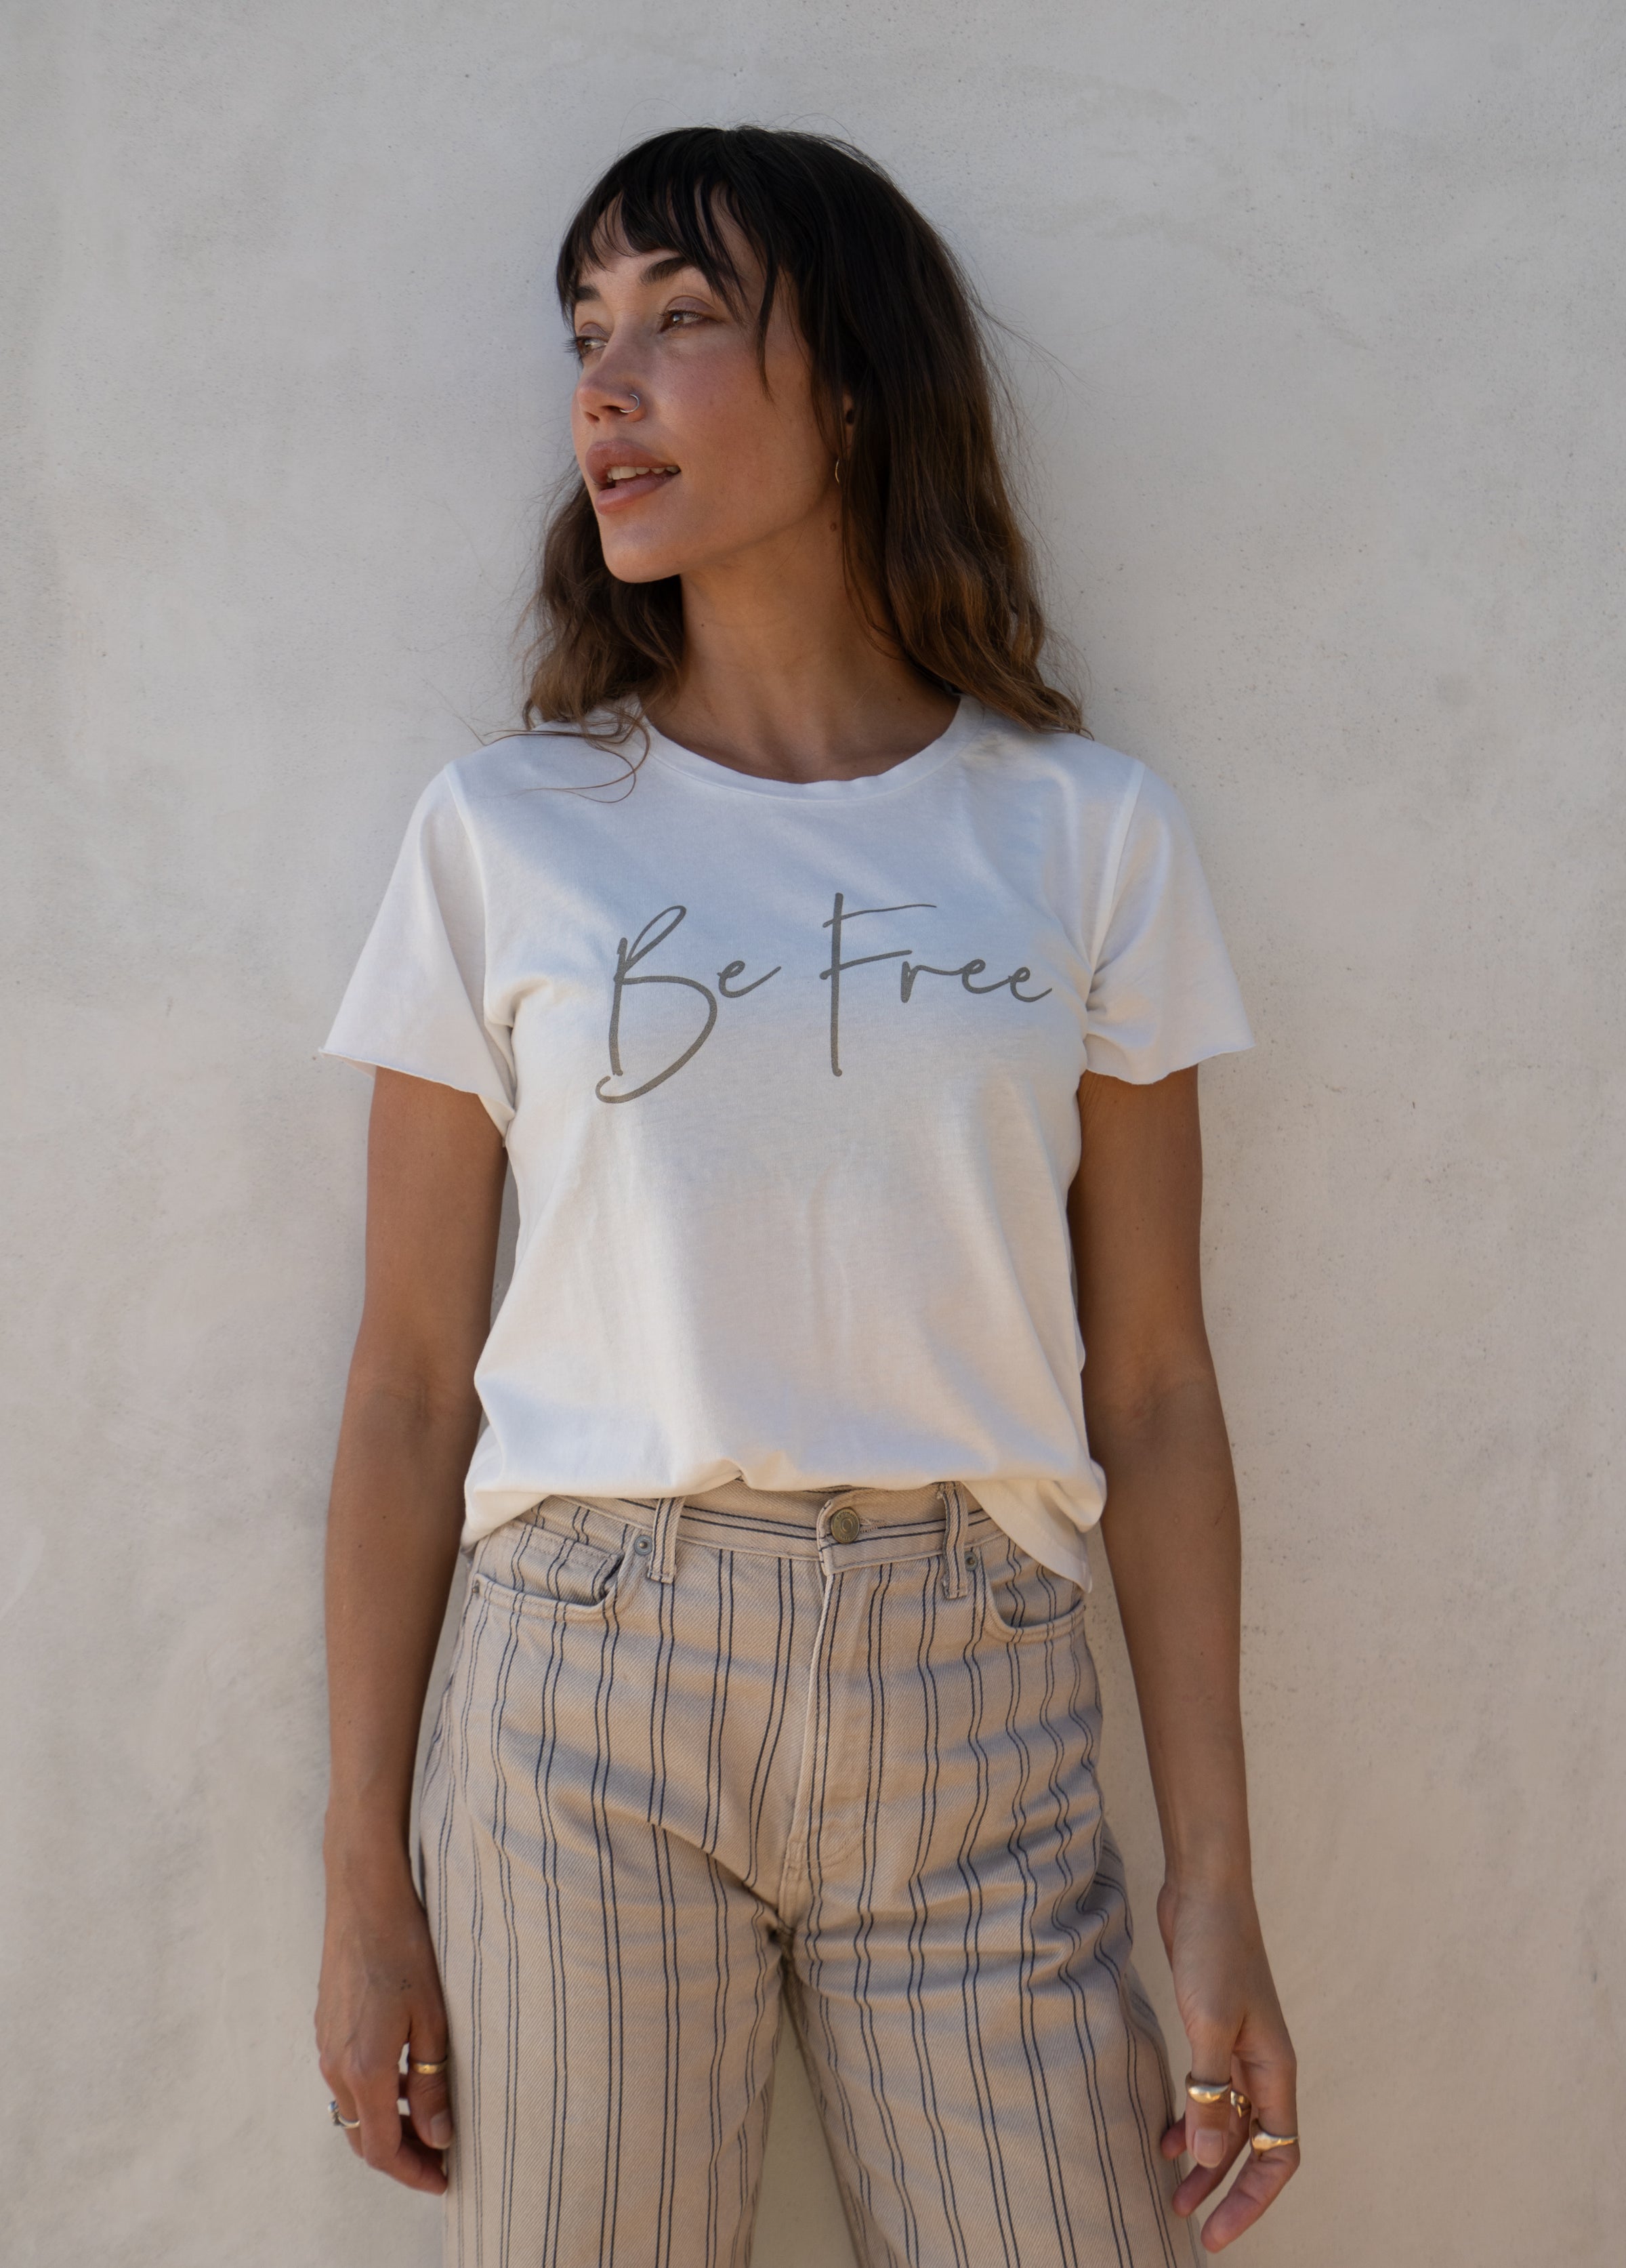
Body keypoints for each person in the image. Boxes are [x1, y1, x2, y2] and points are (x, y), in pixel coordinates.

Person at [313, 124, 1299, 2265]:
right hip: (584, 1694)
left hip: (979, 1699)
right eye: (587, 331)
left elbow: (1154, 1388)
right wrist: (364, 1876)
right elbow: (403, 1385)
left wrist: (1213, 1878)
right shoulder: (504, 835)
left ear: (850, 383)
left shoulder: (1086, 836)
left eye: (680, 318)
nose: (606, 382)